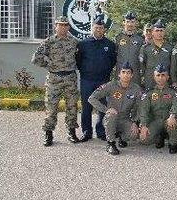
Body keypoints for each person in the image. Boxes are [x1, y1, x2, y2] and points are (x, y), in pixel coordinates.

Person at [31, 16, 80, 146]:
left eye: (65, 25)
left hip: (70, 78)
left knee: (72, 106)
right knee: (51, 107)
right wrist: (49, 66)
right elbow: (36, 58)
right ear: (55, 26)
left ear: (69, 27)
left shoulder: (74, 41)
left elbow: (79, 58)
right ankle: (48, 134)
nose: (63, 27)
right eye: (60, 25)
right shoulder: (49, 42)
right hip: (54, 79)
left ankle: (71, 132)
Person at [87, 62, 142, 155]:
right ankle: (111, 144)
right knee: (111, 116)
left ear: (132, 75)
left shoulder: (136, 89)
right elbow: (92, 98)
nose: (126, 75)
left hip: (125, 119)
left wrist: (135, 122)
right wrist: (106, 110)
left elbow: (139, 107)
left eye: (128, 72)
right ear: (119, 74)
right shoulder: (110, 85)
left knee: (134, 134)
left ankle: (122, 137)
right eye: (123, 72)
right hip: (112, 117)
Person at [77, 16, 117, 142]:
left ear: (104, 29)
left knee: (103, 106)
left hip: (103, 80)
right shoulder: (83, 44)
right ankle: (86, 132)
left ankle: (101, 132)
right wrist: (86, 71)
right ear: (92, 28)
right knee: (86, 106)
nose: (99, 30)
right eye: (97, 27)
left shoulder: (110, 45)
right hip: (87, 80)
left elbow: (113, 61)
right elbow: (78, 61)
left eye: (101, 28)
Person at [138, 64, 177, 154]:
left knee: (172, 123)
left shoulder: (174, 91)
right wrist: (143, 125)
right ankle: (159, 136)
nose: (160, 78)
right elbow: (144, 109)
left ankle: (173, 143)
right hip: (155, 121)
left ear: (167, 77)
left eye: (163, 75)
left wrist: (172, 115)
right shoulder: (149, 93)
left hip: (169, 119)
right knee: (144, 140)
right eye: (158, 75)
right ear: (154, 77)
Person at [139, 19, 173, 90]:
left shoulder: (170, 47)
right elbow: (142, 65)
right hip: (150, 80)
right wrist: (143, 78)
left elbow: (172, 66)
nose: (159, 33)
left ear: (164, 32)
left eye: (161, 31)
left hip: (165, 81)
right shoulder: (145, 48)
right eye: (157, 31)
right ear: (152, 33)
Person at [114, 12, 143, 85]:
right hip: (121, 73)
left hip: (135, 74)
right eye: (128, 22)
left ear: (135, 23)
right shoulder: (117, 38)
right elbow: (112, 56)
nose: (130, 24)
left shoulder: (140, 39)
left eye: (132, 22)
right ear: (124, 22)